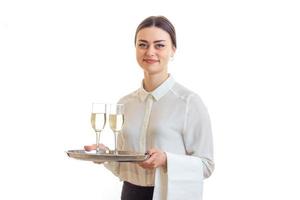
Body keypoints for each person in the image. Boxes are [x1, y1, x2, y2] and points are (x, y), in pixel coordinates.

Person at [84, 15, 214, 200]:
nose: (150, 51)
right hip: (130, 194)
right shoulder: (125, 104)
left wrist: (166, 160)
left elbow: (207, 166)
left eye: (159, 45)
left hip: (169, 195)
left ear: (173, 50)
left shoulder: (189, 103)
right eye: (143, 44)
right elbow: (123, 168)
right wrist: (105, 156)